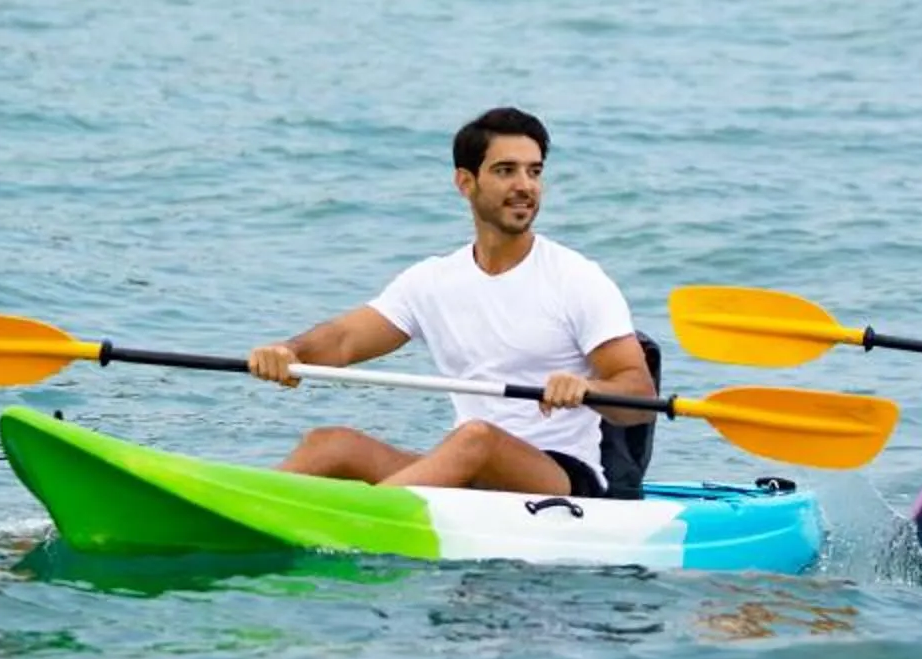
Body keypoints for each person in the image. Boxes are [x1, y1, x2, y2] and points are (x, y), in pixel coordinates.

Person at [247, 107, 654, 498]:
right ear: (465, 182)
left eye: (534, 171)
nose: (525, 185)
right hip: (466, 466)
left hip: (562, 478)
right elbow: (343, 340)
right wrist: (289, 352)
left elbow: (638, 397)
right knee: (330, 443)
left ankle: (354, 521)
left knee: (476, 438)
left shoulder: (577, 279)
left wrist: (588, 387)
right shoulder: (433, 280)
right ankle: (246, 510)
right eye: (505, 170)